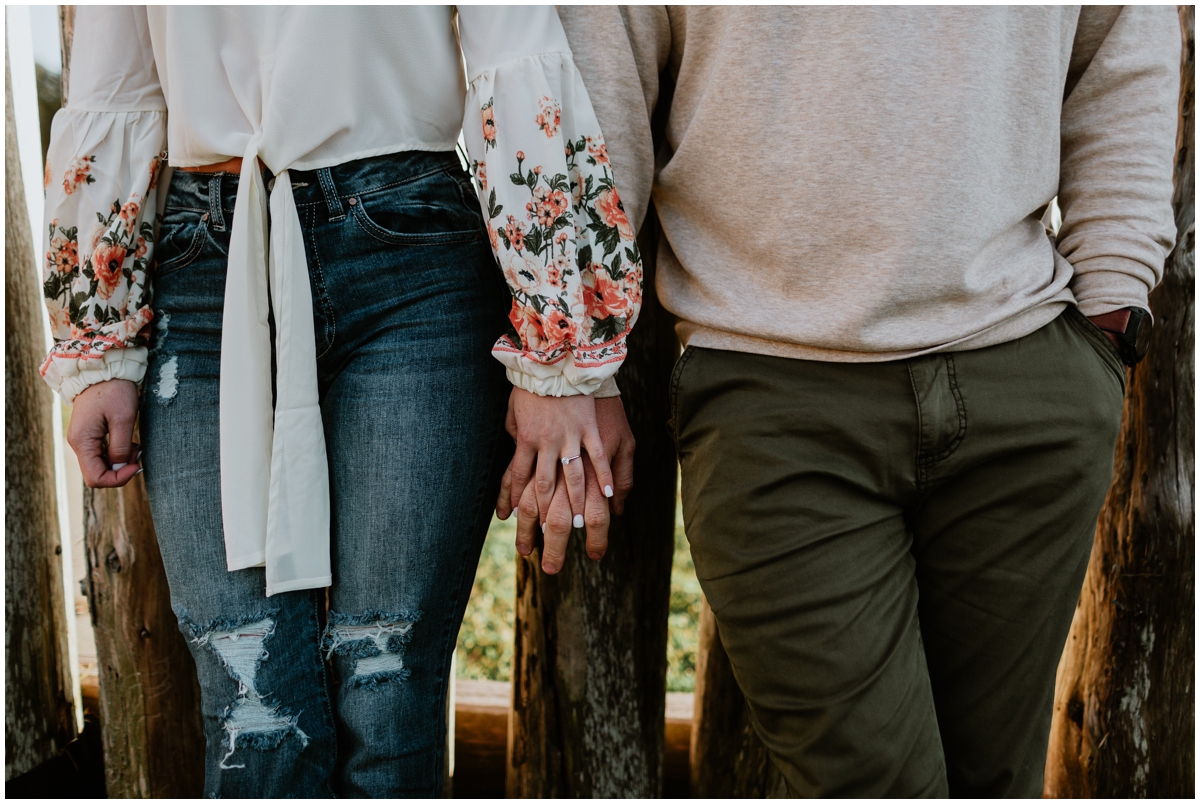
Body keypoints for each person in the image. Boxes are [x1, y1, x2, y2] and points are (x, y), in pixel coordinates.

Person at [552, 5, 1180, 797]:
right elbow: (603, 81)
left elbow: (1126, 39)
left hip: (1025, 382)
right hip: (773, 394)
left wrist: (1113, 302)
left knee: (996, 780)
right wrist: (574, 358)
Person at [41, 6, 641, 796]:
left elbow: (514, 35)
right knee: (249, 704)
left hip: (411, 257)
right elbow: (117, 73)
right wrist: (100, 335)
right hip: (205, 270)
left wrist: (561, 352)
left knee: (386, 685)